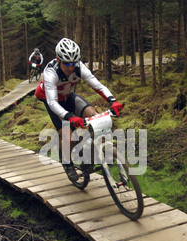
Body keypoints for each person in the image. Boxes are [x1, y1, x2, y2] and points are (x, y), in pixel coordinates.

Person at [35, 38, 123, 181]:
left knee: (93, 115)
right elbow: (52, 103)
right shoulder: (51, 73)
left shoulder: (79, 67)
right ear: (58, 59)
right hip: (51, 100)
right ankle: (67, 163)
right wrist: (69, 117)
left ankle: (89, 154)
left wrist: (112, 100)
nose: (70, 67)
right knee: (67, 134)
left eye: (73, 63)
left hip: (68, 96)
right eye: (67, 63)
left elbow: (98, 85)